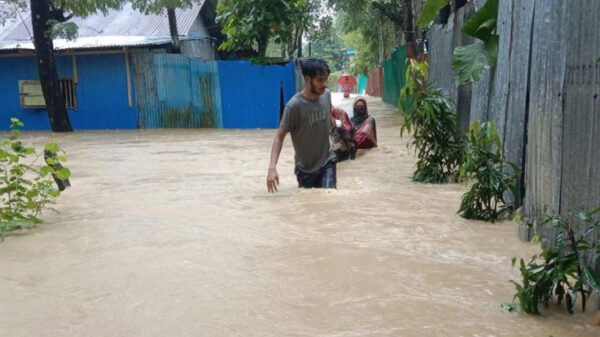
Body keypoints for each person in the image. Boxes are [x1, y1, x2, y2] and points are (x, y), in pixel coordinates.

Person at [267, 58, 336, 192]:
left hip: (327, 161)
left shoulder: (326, 95)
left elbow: (327, 113)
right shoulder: (294, 106)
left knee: (329, 197)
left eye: (326, 79)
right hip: (305, 169)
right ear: (308, 79)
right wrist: (272, 168)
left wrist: (332, 120)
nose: (325, 84)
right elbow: (279, 137)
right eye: (320, 80)